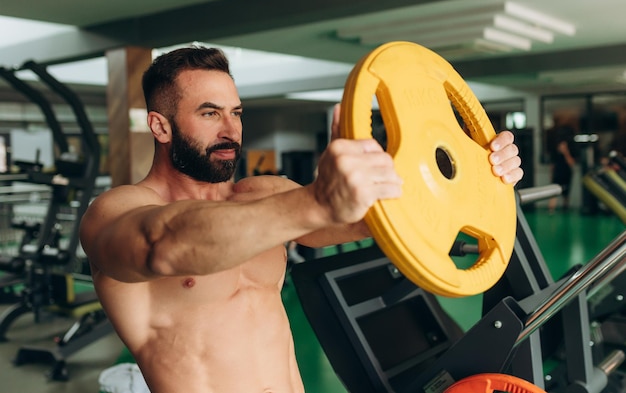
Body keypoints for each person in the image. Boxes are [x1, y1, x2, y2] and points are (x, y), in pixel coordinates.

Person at [79, 46, 523, 393]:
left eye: (236, 113)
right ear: (160, 127)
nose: (230, 129)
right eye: (209, 113)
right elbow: (164, 244)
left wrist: (480, 168)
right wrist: (315, 202)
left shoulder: (263, 194)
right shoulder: (116, 212)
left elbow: (370, 220)